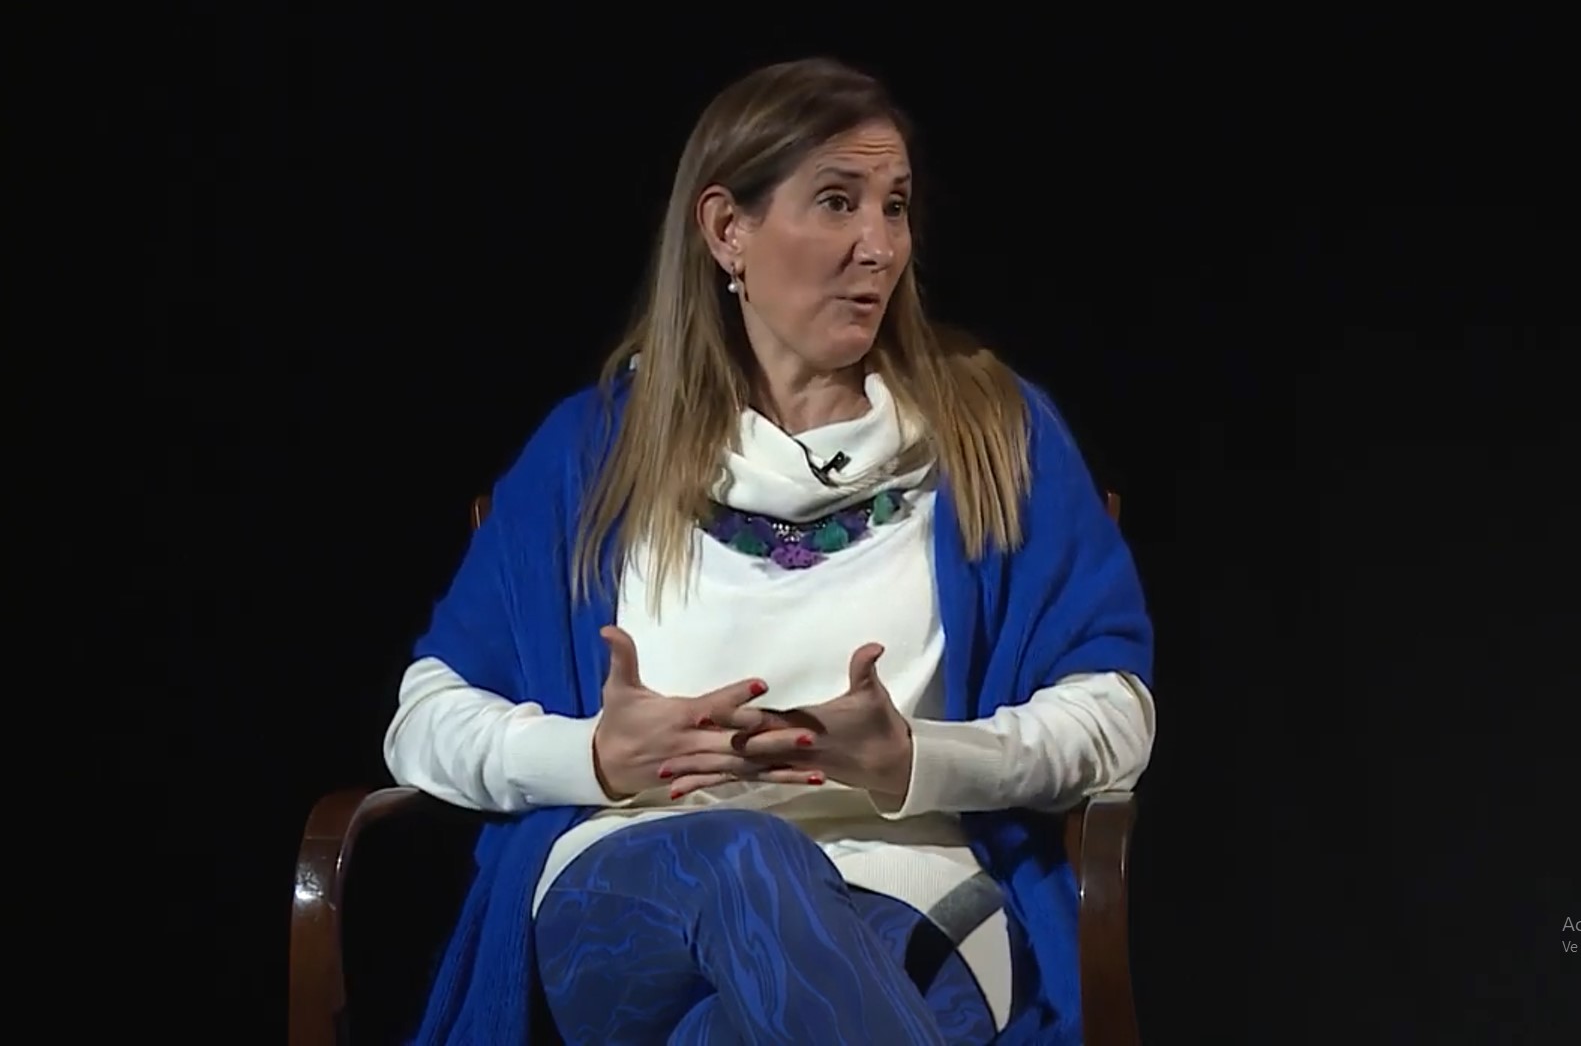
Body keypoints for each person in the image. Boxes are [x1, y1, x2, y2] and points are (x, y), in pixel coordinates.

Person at [383, 56, 1156, 1046]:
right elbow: (425, 721)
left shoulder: (992, 433)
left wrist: (918, 760)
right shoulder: (595, 452)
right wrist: (595, 755)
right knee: (750, 858)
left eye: (894, 206)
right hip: (635, 889)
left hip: (910, 894)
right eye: (837, 202)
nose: (879, 246)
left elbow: (1114, 715)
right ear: (726, 231)